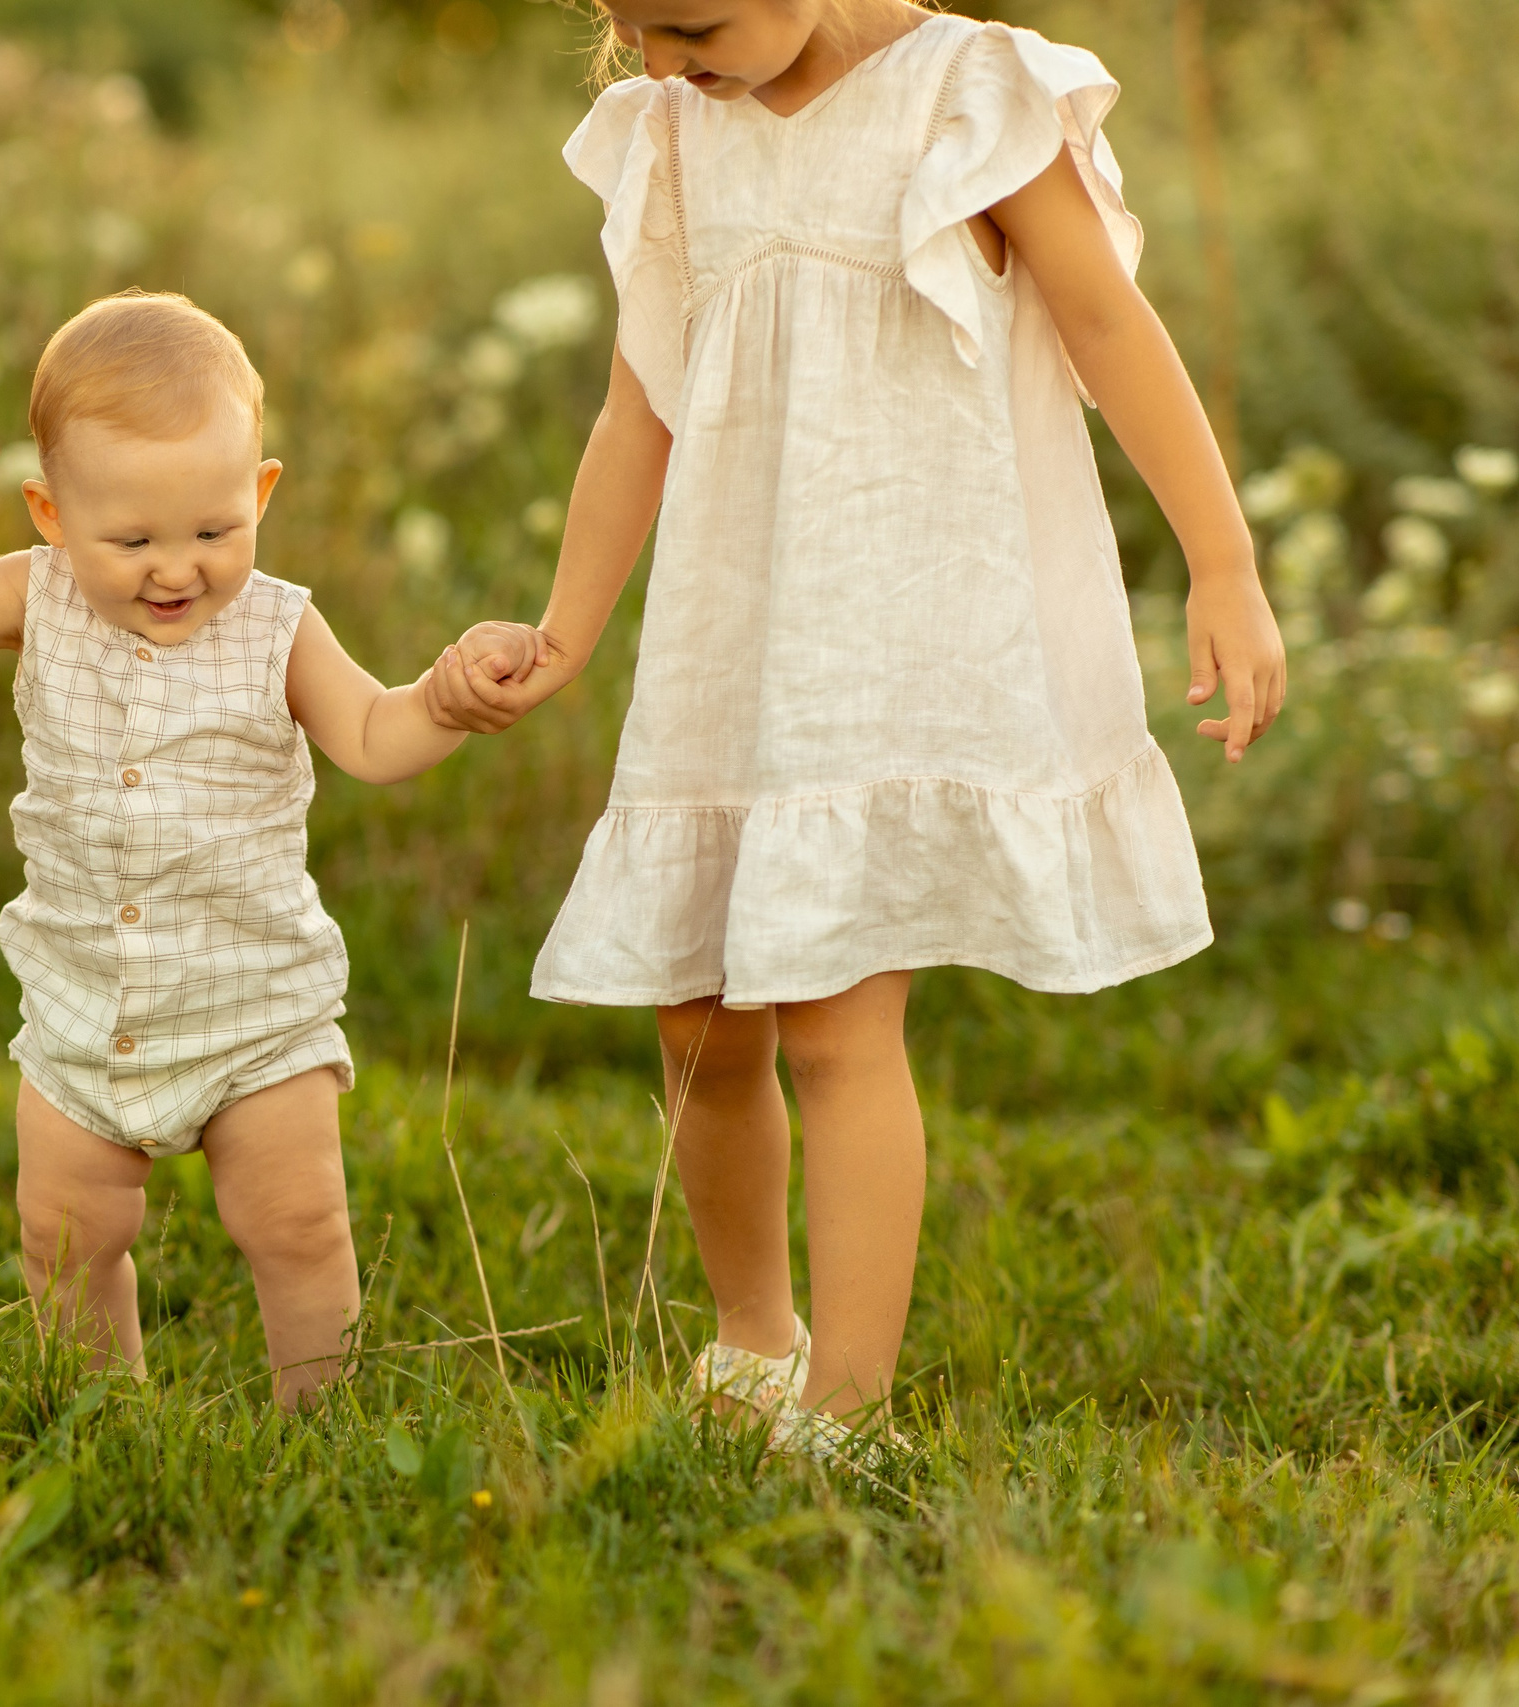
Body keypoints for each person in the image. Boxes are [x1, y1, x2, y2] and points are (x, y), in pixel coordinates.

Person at [423, 0, 1284, 1455]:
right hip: (731, 638)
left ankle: (848, 1406)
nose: (656, 60)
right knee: (696, 1015)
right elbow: (642, 407)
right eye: (630, 27)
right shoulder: (681, 140)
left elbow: (1104, 320)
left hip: (892, 635)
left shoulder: (968, 94)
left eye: (687, 22)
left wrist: (1225, 558)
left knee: (833, 1017)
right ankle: (756, 1337)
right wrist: (568, 626)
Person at [0, 293, 530, 1407]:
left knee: (296, 1224)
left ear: (259, 493)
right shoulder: (39, 594)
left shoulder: (278, 625)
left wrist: (444, 701)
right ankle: (101, 1413)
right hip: (80, 1000)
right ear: (51, 513)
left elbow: (368, 735)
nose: (176, 570)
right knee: (66, 1235)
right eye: (132, 540)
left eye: (214, 531)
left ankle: (324, 1418)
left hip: (253, 1003)